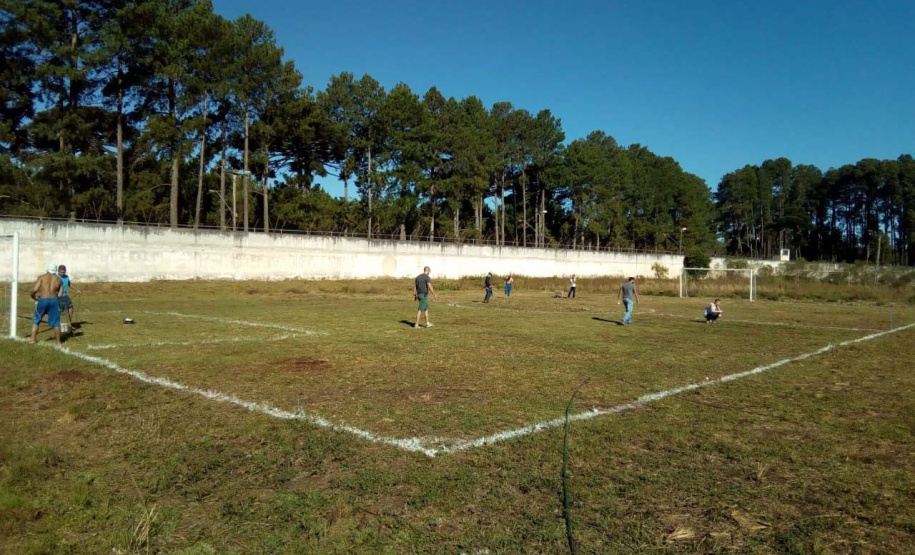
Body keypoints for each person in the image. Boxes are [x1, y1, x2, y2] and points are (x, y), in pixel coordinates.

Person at [29, 263, 63, 344]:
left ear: (47, 268)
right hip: (54, 300)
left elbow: (35, 290)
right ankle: (59, 342)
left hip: (43, 300)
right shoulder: (59, 280)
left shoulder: (41, 277)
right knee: (56, 322)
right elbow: (60, 295)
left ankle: (32, 340)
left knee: (36, 320)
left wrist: (33, 297)